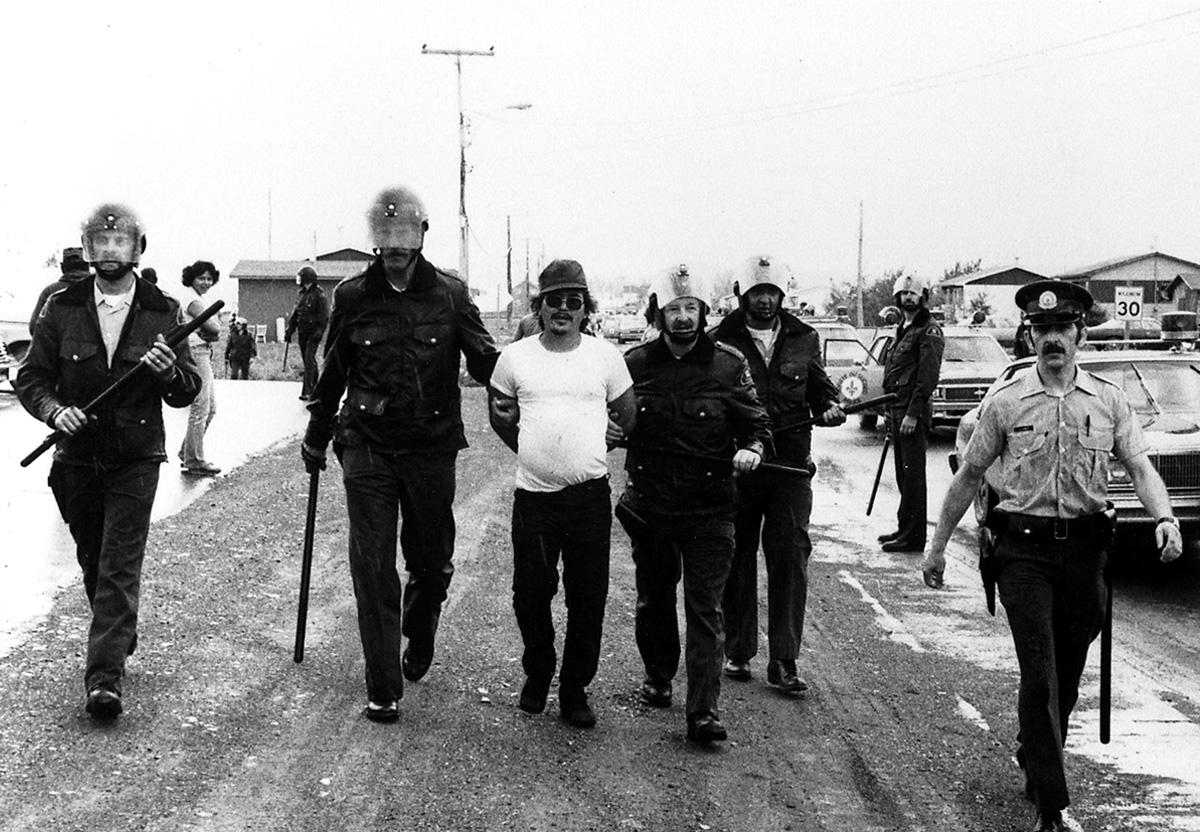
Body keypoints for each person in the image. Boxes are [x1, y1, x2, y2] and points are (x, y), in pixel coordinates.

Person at [921, 280, 1183, 832]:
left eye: (1062, 328)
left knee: (1066, 667)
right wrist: (937, 546)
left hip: (1086, 553)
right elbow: (969, 475)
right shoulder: (1006, 401)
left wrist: (1164, 518)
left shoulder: (1109, 400)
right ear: (1030, 336)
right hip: (1023, 553)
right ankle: (1052, 803)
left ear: (1080, 333)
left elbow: (1139, 468)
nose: (1052, 339)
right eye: (1042, 330)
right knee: (1039, 673)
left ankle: (1035, 748)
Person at [301, 185, 500, 723]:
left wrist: (536, 378)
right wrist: (318, 434)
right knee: (372, 566)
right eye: (384, 238)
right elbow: (334, 370)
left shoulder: (450, 295)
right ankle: (383, 684)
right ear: (373, 242)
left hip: (431, 447)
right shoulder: (352, 297)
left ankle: (420, 627)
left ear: (421, 237)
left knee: (431, 562)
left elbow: (486, 363)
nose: (394, 247)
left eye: (404, 237)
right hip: (367, 445)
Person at [15, 203, 200, 720]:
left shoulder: (163, 310)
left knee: (119, 565)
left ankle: (104, 680)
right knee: (94, 560)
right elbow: (30, 377)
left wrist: (168, 374)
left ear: (139, 249)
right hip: (76, 459)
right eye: (102, 243)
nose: (111, 252)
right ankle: (119, 630)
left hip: (136, 458)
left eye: (122, 243)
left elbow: (186, 391)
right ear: (89, 248)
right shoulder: (62, 305)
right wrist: (55, 413)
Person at [617, 263, 771, 744]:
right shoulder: (635, 363)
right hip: (653, 507)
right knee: (655, 600)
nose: (682, 318)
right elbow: (609, 414)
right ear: (658, 312)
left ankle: (703, 710)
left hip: (710, 510)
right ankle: (659, 677)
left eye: (691, 308)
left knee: (706, 608)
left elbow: (757, 423)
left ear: (704, 312)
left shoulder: (726, 365)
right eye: (673, 309)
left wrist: (752, 449)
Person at [488, 259, 637, 728]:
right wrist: (531, 447)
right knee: (529, 594)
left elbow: (627, 413)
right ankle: (538, 672)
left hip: (588, 499)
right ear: (540, 305)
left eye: (574, 301)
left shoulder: (605, 357)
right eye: (555, 299)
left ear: (584, 309)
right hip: (534, 499)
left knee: (587, 598)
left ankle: (575, 688)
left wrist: (602, 439)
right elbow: (500, 413)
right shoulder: (516, 357)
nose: (563, 309)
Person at [711, 256, 844, 692]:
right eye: (756, 292)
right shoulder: (720, 341)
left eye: (772, 292)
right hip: (739, 469)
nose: (765, 300)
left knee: (790, 559)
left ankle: (784, 660)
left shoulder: (804, 338)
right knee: (737, 557)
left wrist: (828, 406)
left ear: (782, 295)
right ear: (742, 295)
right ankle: (737, 650)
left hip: (789, 468)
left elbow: (820, 386)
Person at [879, 274, 945, 552]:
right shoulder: (902, 328)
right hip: (896, 408)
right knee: (903, 474)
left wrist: (913, 414)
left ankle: (914, 537)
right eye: (904, 293)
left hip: (911, 412)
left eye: (913, 293)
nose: (908, 298)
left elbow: (927, 377)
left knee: (913, 475)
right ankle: (904, 528)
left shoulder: (929, 330)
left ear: (923, 296)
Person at [178, 260, 222, 476]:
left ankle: (187, 451)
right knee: (201, 406)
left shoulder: (197, 299)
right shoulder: (192, 300)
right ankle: (194, 459)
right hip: (196, 352)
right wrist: (214, 328)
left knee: (210, 407)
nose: (206, 282)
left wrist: (212, 331)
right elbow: (214, 327)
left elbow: (213, 331)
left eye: (209, 278)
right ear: (191, 279)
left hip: (202, 350)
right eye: (201, 278)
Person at [285, 265, 330, 400]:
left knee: (310, 359)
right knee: (307, 360)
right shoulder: (302, 294)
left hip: (313, 333)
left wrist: (320, 331)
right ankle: (316, 387)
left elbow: (324, 316)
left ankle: (308, 391)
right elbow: (296, 313)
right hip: (302, 332)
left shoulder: (319, 294)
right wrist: (290, 330)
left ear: (306, 278)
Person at [29, 246, 90, 332]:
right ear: (88, 266)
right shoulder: (100, 290)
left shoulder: (50, 291)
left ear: (62, 267)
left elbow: (34, 327)